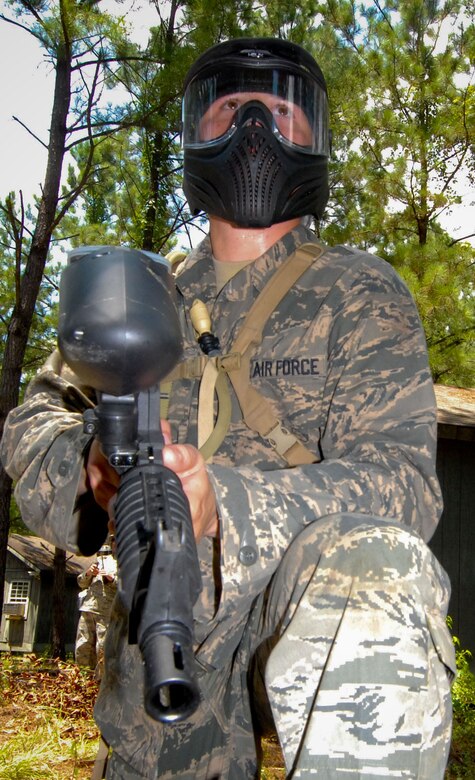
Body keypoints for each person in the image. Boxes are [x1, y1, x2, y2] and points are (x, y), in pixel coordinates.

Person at [0, 37, 456, 779]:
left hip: (309, 629)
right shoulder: (134, 293)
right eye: (227, 111)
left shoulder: (357, 292)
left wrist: (225, 509)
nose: (253, 130)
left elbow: (402, 485)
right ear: (193, 137)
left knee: (378, 568)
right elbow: (32, 423)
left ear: (315, 140)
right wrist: (92, 468)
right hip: (162, 689)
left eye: (278, 110)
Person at [75, 540, 118, 680]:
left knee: (103, 648)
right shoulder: (97, 561)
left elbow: (128, 587)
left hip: (106, 612)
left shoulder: (122, 564)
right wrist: (89, 573)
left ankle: (101, 682)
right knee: (83, 644)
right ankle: (83, 678)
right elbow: (81, 583)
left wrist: (111, 579)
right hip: (88, 608)